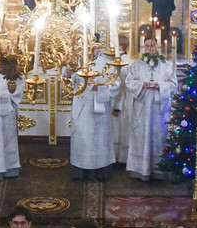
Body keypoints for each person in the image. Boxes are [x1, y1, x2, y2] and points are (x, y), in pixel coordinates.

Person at [121, 37, 177, 182]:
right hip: (142, 106)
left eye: (152, 45)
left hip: (159, 109)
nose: (150, 48)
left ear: (157, 46)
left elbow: (173, 84)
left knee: (159, 137)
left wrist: (161, 86)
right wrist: (142, 85)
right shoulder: (136, 65)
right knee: (141, 135)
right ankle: (140, 169)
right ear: (143, 47)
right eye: (147, 45)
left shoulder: (166, 65)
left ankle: (158, 169)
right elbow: (129, 82)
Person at [67, 58, 119, 182]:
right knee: (82, 138)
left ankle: (100, 172)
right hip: (81, 105)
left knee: (99, 139)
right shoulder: (78, 60)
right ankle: (80, 171)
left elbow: (116, 84)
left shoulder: (107, 62)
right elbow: (69, 81)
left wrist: (101, 88)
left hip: (100, 106)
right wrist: (67, 74)